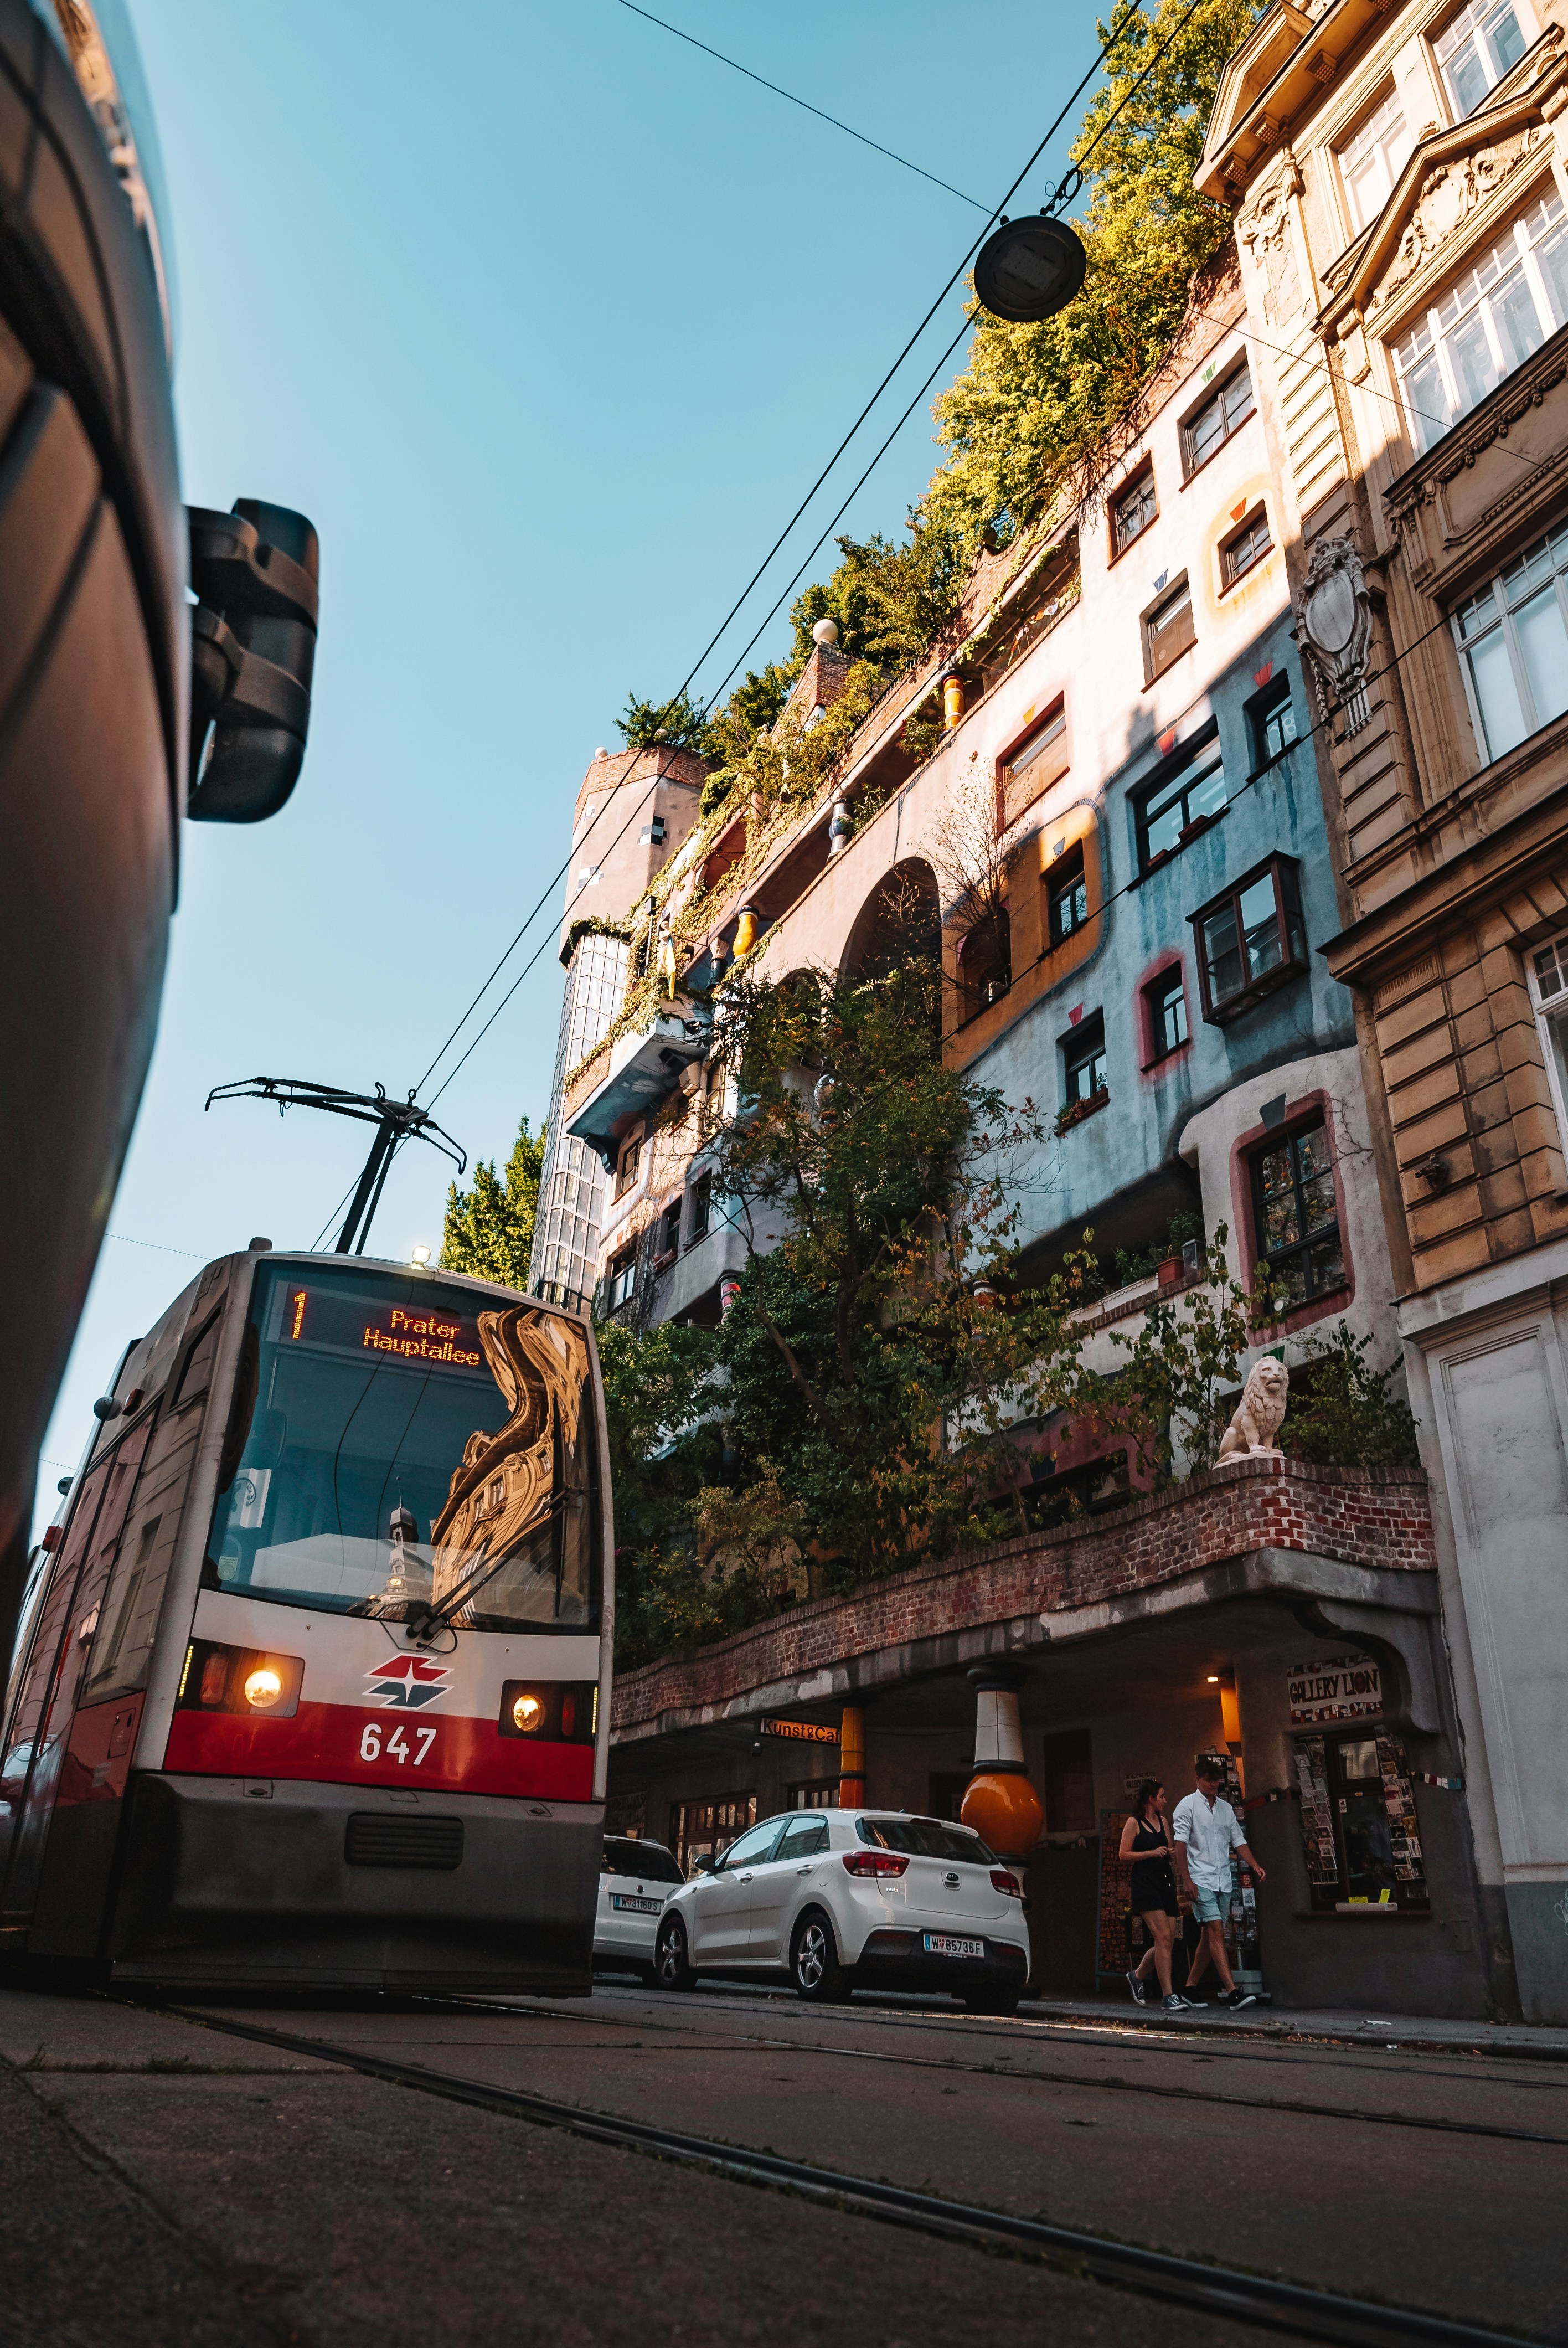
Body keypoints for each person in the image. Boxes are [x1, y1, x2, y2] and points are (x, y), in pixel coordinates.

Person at [1172, 1755, 1267, 2010]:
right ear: (1198, 1780)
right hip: (1200, 1878)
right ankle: (1233, 1991)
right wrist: (1187, 1880)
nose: (1213, 1785)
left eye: (1216, 1781)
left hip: (1223, 1879)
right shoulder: (1187, 1806)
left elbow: (1238, 1840)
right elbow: (1180, 1845)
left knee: (1208, 1936)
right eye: (1208, 1780)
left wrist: (1254, 1865)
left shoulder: (1225, 1809)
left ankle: (1190, 1989)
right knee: (1216, 1930)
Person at [1118, 1780, 1193, 2013]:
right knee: (1162, 1938)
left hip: (1165, 1882)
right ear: (1151, 1799)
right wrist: (1151, 1852)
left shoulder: (1163, 1821)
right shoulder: (1134, 1823)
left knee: (1167, 1941)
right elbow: (1123, 1854)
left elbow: (1167, 1848)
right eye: (1161, 1796)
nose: (1164, 1800)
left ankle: (1137, 1975)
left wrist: (1169, 1852)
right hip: (1145, 1885)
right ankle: (1168, 1995)